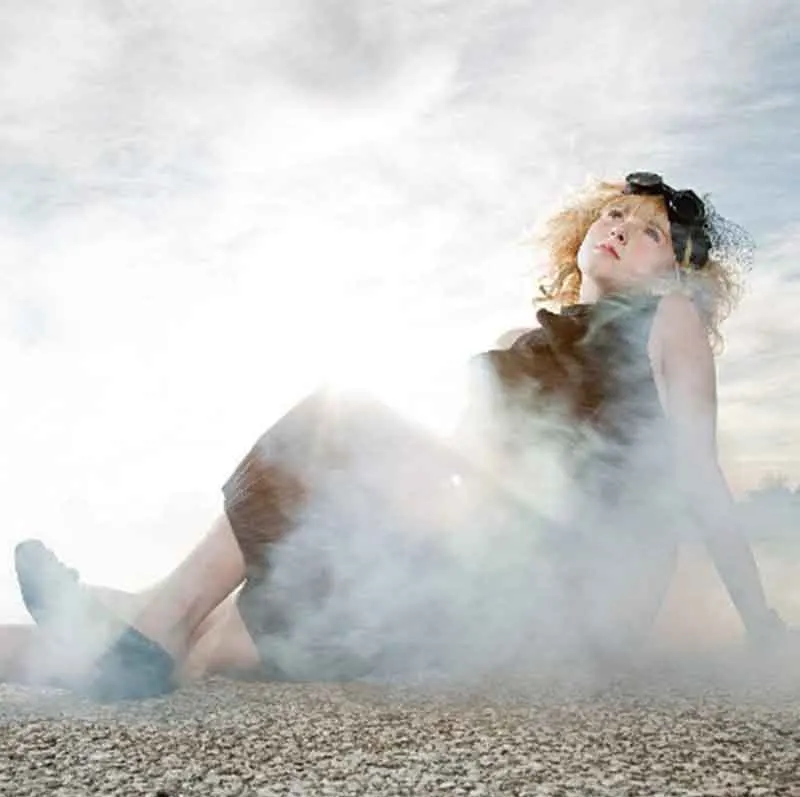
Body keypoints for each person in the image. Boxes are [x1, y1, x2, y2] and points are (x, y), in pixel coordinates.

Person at [3, 171, 790, 701]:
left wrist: (759, 627)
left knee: (336, 421)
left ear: (674, 271)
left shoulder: (668, 319)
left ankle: (145, 626)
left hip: (567, 596)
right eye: (615, 213)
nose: (620, 227)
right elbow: (464, 483)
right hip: (480, 575)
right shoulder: (518, 343)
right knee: (231, 631)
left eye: (650, 232)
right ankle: (113, 635)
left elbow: (697, 476)